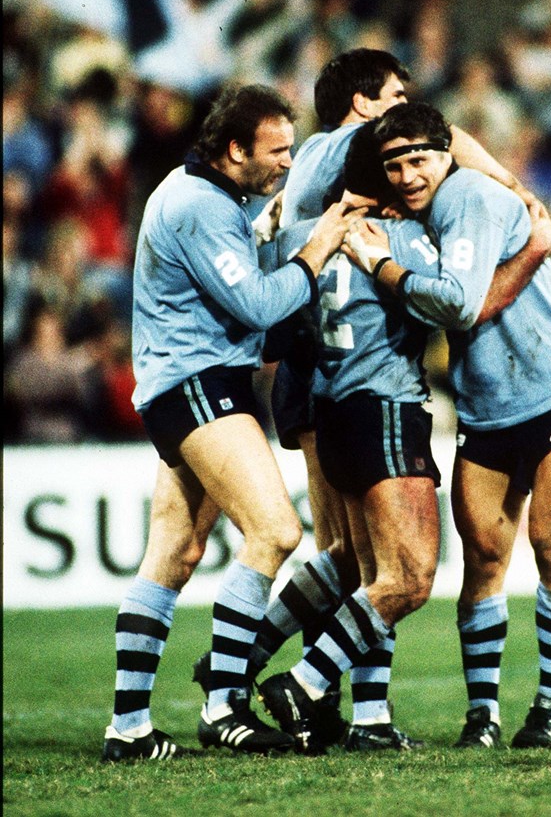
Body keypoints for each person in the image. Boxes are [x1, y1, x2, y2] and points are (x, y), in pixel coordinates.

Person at [193, 47, 550, 751]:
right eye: (396, 153)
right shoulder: (371, 203)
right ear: (365, 113)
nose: (409, 167)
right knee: (400, 572)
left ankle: (270, 676)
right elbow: (458, 306)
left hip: (319, 385)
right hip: (373, 398)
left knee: (353, 561)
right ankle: (312, 689)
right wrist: (520, 218)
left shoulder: (304, 227)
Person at [101, 83, 367, 762]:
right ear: (233, 149)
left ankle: (128, 727)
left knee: (176, 551)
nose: (286, 163)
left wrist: (265, 231)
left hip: (188, 382)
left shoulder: (214, 201)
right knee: (275, 530)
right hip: (198, 385)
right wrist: (319, 248)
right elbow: (255, 305)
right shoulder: (196, 206)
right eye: (276, 152)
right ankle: (223, 704)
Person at [342, 101, 551, 750]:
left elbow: (459, 305)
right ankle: (483, 716)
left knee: (550, 549)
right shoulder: (426, 207)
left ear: (446, 155)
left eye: (418, 159)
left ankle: (548, 707)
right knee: (485, 561)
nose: (406, 174)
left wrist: (382, 266)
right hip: (486, 404)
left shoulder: (467, 197)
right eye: (394, 164)